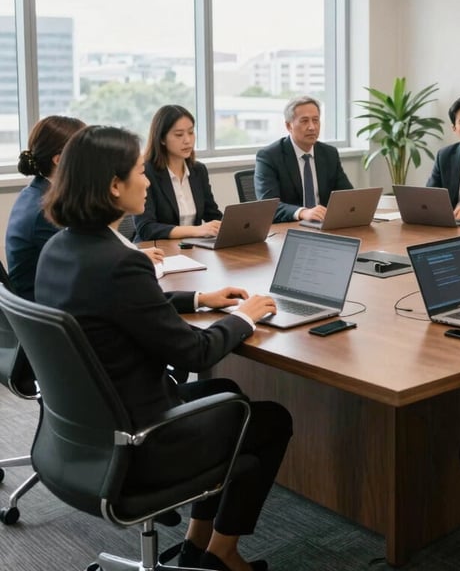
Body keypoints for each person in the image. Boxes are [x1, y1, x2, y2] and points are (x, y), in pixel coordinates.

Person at [36, 125, 292, 571]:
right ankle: (223, 554)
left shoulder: (61, 248)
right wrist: (245, 317)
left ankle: (196, 544)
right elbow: (195, 353)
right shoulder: (121, 263)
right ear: (114, 186)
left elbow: (117, 307)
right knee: (271, 419)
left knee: (227, 391)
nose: (147, 182)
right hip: (139, 442)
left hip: (84, 433)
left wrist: (199, 299)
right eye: (139, 172)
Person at [5, 116, 86, 299]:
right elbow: (80, 268)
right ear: (58, 159)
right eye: (86, 151)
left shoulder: (34, 192)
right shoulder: (45, 210)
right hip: (47, 305)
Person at [255, 95, 353, 223]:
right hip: (290, 227)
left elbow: (346, 195)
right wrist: (302, 212)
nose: (312, 127)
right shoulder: (269, 156)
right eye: (304, 121)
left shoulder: (329, 154)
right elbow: (267, 206)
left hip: (323, 225)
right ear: (289, 126)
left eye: (315, 120)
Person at [134, 105, 222, 241]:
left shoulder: (198, 170)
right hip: (157, 248)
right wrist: (196, 230)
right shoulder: (146, 172)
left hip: (192, 247)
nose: (187, 140)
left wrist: (233, 226)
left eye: (191, 132)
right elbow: (146, 228)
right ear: (162, 139)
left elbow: (212, 215)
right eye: (179, 135)